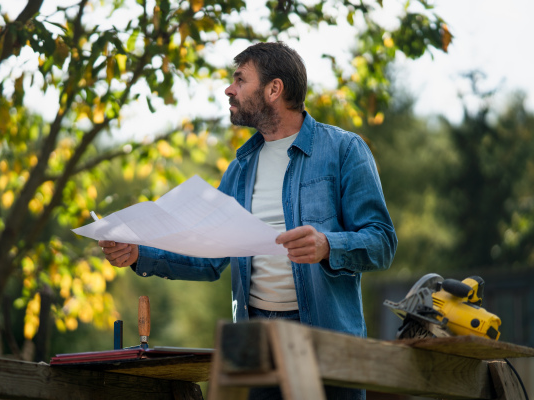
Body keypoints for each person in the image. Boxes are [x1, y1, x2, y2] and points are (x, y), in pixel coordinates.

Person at [99, 42, 397, 400]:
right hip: (254, 345)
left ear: (274, 89)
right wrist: (137, 254)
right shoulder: (239, 171)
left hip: (327, 339)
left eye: (240, 80)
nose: (229, 89)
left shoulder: (344, 150)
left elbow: (382, 242)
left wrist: (327, 245)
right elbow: (211, 257)